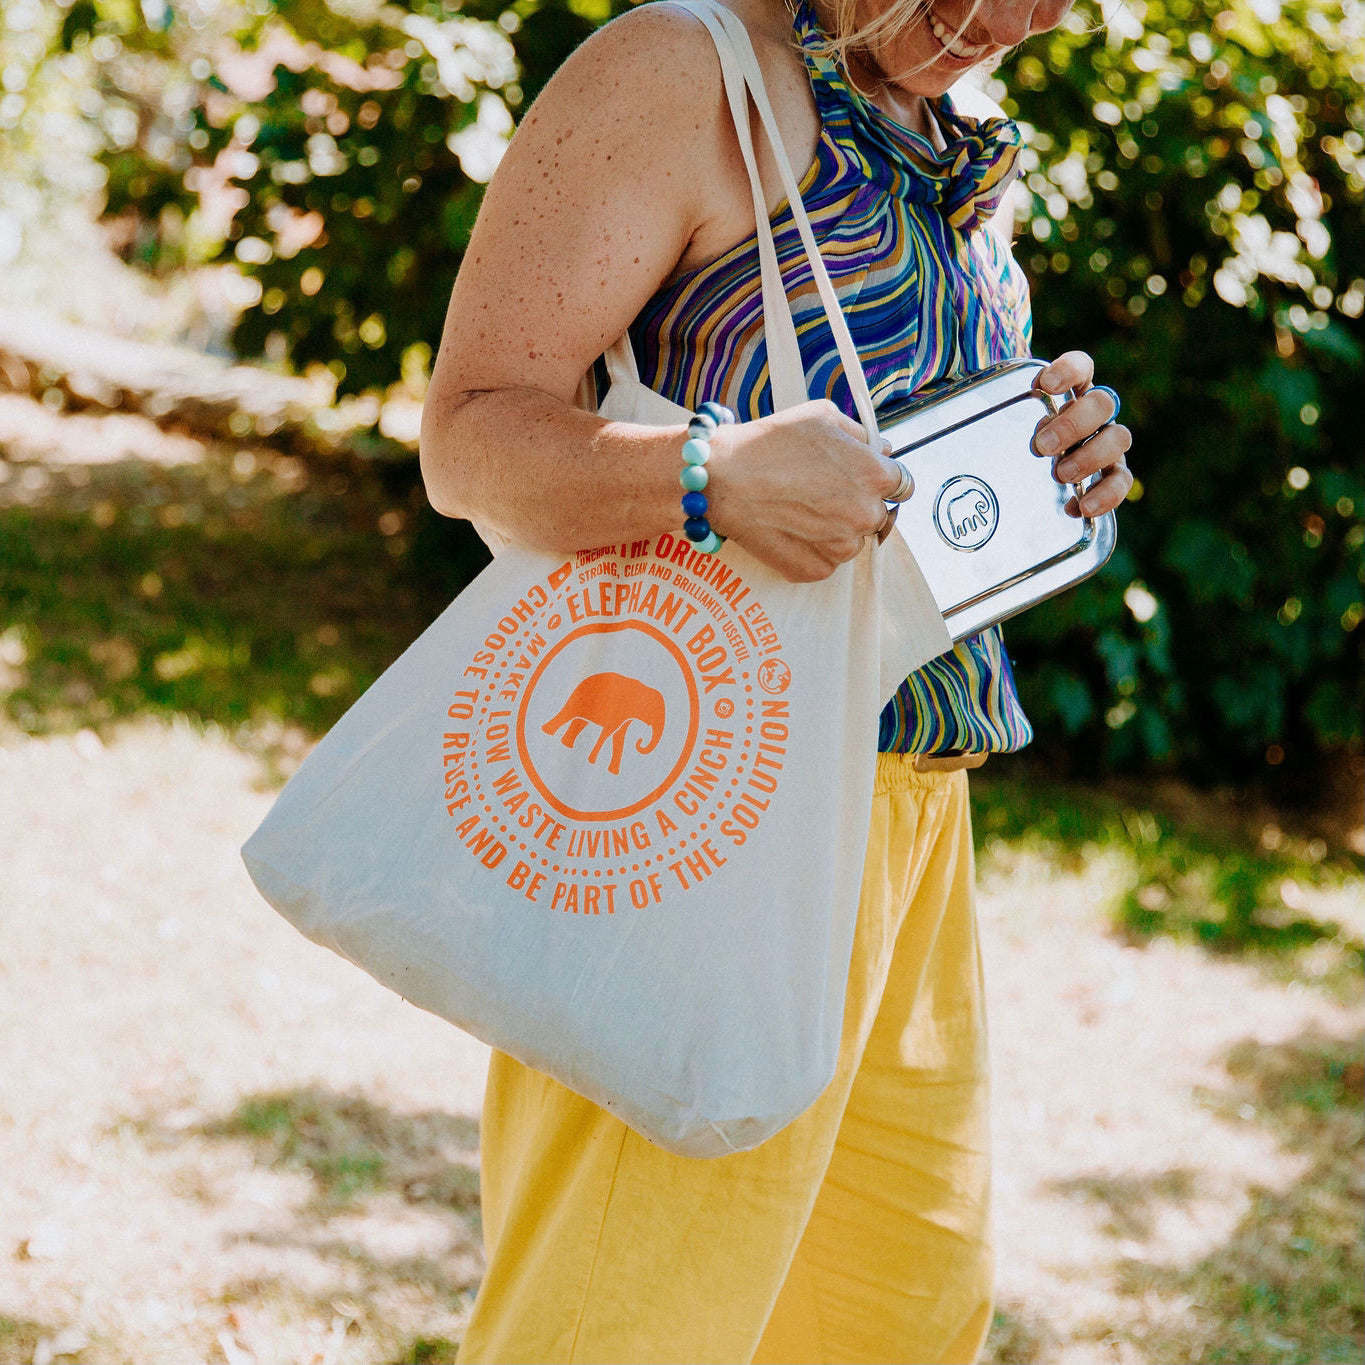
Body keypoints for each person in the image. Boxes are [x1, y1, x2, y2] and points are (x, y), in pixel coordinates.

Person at [419, 0, 1133, 1358]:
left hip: (916, 824)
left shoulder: (946, 134)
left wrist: (1052, 472)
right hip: (707, 814)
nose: (1037, 14)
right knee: (617, 1328)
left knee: (892, 1327)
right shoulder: (676, 72)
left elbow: (886, 508)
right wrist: (710, 476)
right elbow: (468, 439)